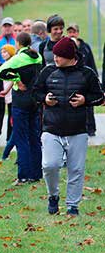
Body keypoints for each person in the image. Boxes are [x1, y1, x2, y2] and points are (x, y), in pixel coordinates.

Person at [32, 37, 104, 215]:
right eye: (55, 55)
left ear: (71, 56)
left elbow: (100, 97)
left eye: (60, 56)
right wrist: (45, 99)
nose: (55, 58)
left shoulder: (86, 73)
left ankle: (72, 205)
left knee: (76, 169)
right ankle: (53, 195)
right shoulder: (48, 71)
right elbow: (35, 92)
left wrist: (85, 100)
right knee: (50, 165)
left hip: (77, 130)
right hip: (51, 128)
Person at [0, 32, 43, 184]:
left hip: (21, 101)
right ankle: (36, 173)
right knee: (34, 137)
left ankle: (24, 175)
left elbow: (0, 72)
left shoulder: (18, 58)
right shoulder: (38, 56)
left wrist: (16, 78)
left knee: (21, 137)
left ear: (18, 43)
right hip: (34, 100)